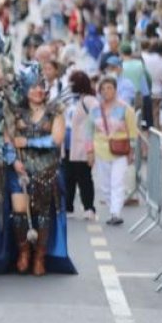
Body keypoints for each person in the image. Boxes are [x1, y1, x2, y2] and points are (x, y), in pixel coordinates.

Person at [7, 63, 75, 275]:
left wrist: (26, 142)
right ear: (25, 89)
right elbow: (7, 140)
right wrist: (13, 160)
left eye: (41, 86)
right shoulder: (15, 113)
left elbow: (55, 140)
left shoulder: (55, 111)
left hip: (46, 170)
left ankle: (39, 256)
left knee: (42, 213)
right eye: (33, 86)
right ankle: (24, 252)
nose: (38, 90)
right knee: (19, 212)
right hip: (21, 170)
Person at [89, 75, 139, 226]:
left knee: (117, 182)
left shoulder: (125, 109)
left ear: (116, 90)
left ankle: (115, 212)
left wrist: (132, 151)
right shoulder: (95, 110)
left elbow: (133, 132)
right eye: (103, 89)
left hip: (120, 150)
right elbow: (88, 132)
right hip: (101, 150)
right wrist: (89, 151)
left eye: (110, 88)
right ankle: (112, 208)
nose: (106, 91)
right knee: (105, 184)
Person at [63, 71, 99, 220]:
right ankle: (68, 207)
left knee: (84, 178)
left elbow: (97, 119)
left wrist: (91, 147)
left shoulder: (89, 100)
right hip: (67, 144)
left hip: (81, 145)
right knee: (68, 178)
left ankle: (89, 207)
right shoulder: (70, 100)